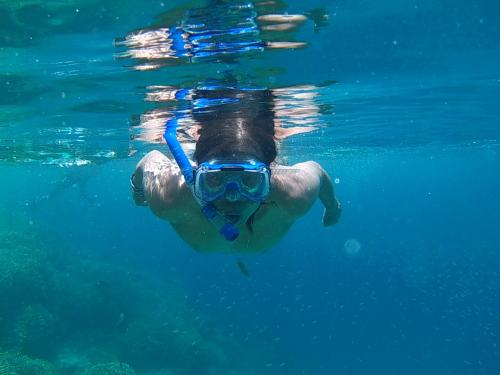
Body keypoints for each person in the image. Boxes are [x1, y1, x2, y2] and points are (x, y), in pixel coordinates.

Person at [131, 88, 341, 253]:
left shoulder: (293, 195)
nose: (232, 198)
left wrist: (333, 206)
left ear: (269, 179)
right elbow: (149, 159)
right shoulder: (168, 196)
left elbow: (318, 172)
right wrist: (138, 190)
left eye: (249, 181)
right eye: (214, 181)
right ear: (194, 176)